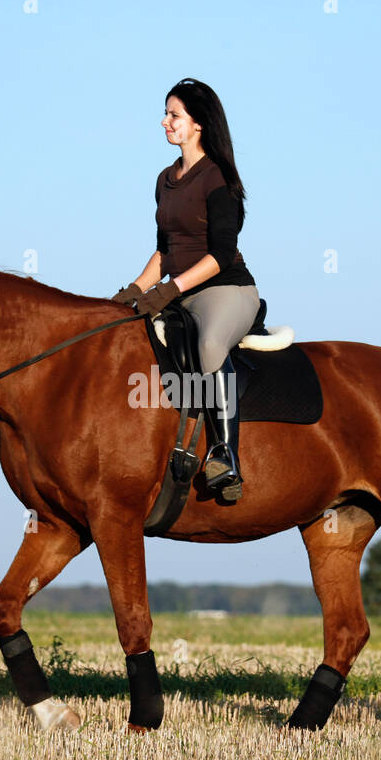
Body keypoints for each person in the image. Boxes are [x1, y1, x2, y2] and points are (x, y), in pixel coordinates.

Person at [112, 78, 260, 503]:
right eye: (166, 113)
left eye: (174, 115)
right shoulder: (165, 179)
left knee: (211, 343)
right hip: (176, 291)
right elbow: (165, 248)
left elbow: (221, 253)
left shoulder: (219, 178)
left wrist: (168, 289)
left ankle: (224, 454)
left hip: (225, 290)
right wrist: (134, 290)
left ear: (197, 124)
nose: (165, 122)